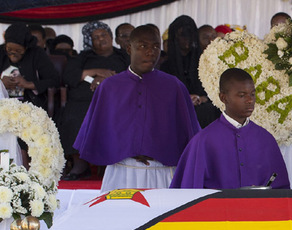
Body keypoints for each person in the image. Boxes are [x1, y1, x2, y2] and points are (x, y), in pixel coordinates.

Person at [73, 25, 200, 192]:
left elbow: (190, 135)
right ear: (128, 48)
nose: (150, 52)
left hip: (162, 172)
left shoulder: (174, 86)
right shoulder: (110, 87)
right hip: (122, 171)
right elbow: (97, 132)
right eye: (142, 46)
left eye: (155, 46)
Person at [171, 68, 290, 190]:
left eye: (253, 94)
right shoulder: (203, 141)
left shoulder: (265, 139)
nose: (250, 100)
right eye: (242, 95)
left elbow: (281, 189)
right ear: (223, 98)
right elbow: (189, 191)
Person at [58, 21, 130, 180]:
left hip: (115, 99)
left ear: (111, 37)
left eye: (103, 35)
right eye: (96, 37)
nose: (100, 39)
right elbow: (70, 76)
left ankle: (110, 164)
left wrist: (106, 81)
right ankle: (80, 164)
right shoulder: (84, 57)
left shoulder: (123, 56)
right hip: (83, 100)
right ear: (91, 41)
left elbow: (132, 77)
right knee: (74, 114)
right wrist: (96, 74)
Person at [161, 15, 220, 128]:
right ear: (175, 37)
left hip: (204, 110)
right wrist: (185, 98)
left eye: (190, 34)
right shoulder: (166, 66)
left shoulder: (204, 62)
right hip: (178, 112)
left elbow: (215, 91)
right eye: (183, 35)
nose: (187, 39)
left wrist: (202, 98)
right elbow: (164, 96)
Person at [0, 23, 58, 110]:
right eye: (9, 49)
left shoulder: (37, 54)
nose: (13, 54)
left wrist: (28, 84)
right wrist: (1, 84)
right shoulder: (1, 52)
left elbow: (54, 80)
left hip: (29, 107)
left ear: (26, 47)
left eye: (18, 50)